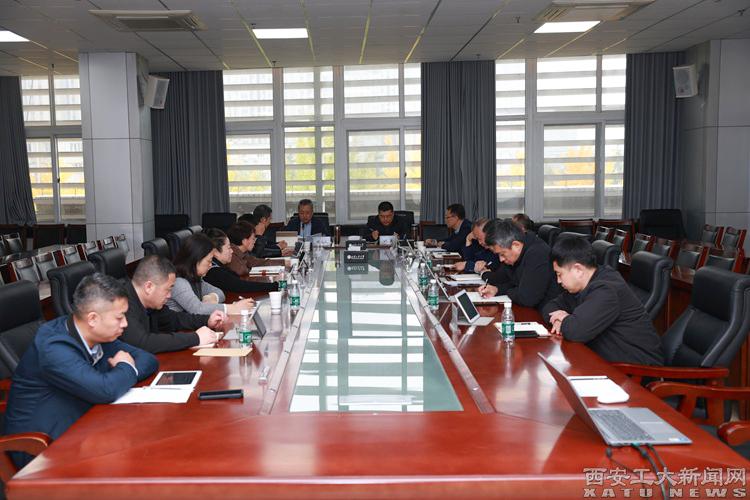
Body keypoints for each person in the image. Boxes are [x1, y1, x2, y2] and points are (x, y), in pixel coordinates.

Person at [5, 273, 158, 467]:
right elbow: (105, 390)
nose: (125, 324)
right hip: (41, 449)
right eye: (119, 317)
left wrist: (122, 373)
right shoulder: (54, 347)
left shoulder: (94, 333)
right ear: (93, 318)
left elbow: (148, 359)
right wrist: (125, 367)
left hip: (85, 425)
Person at [542, 237, 664, 365]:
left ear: (578, 270)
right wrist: (558, 319)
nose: (558, 281)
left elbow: (575, 331)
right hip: (607, 363)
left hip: (637, 370)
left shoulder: (607, 289)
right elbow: (549, 306)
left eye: (559, 274)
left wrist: (565, 319)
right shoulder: (582, 285)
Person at [121, 255, 224, 354]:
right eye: (167, 289)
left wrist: (207, 320)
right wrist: (196, 338)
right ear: (149, 287)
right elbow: (143, 342)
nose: (169, 295)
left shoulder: (151, 304)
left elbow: (174, 319)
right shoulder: (121, 304)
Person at [478, 219, 560, 309]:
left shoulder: (537, 253)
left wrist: (509, 290)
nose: (501, 259)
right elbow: (513, 283)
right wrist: (497, 290)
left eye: (502, 254)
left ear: (516, 245)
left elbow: (527, 298)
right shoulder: (517, 253)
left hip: (545, 312)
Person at [166, 233, 256, 315]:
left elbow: (220, 292)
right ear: (196, 260)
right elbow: (197, 309)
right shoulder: (178, 282)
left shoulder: (195, 278)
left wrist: (212, 297)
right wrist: (233, 308)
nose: (210, 265)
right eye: (209, 261)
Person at [204, 228, 280, 293]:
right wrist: (275, 286)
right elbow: (241, 286)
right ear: (216, 252)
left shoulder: (219, 266)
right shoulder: (214, 271)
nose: (232, 251)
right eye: (228, 248)